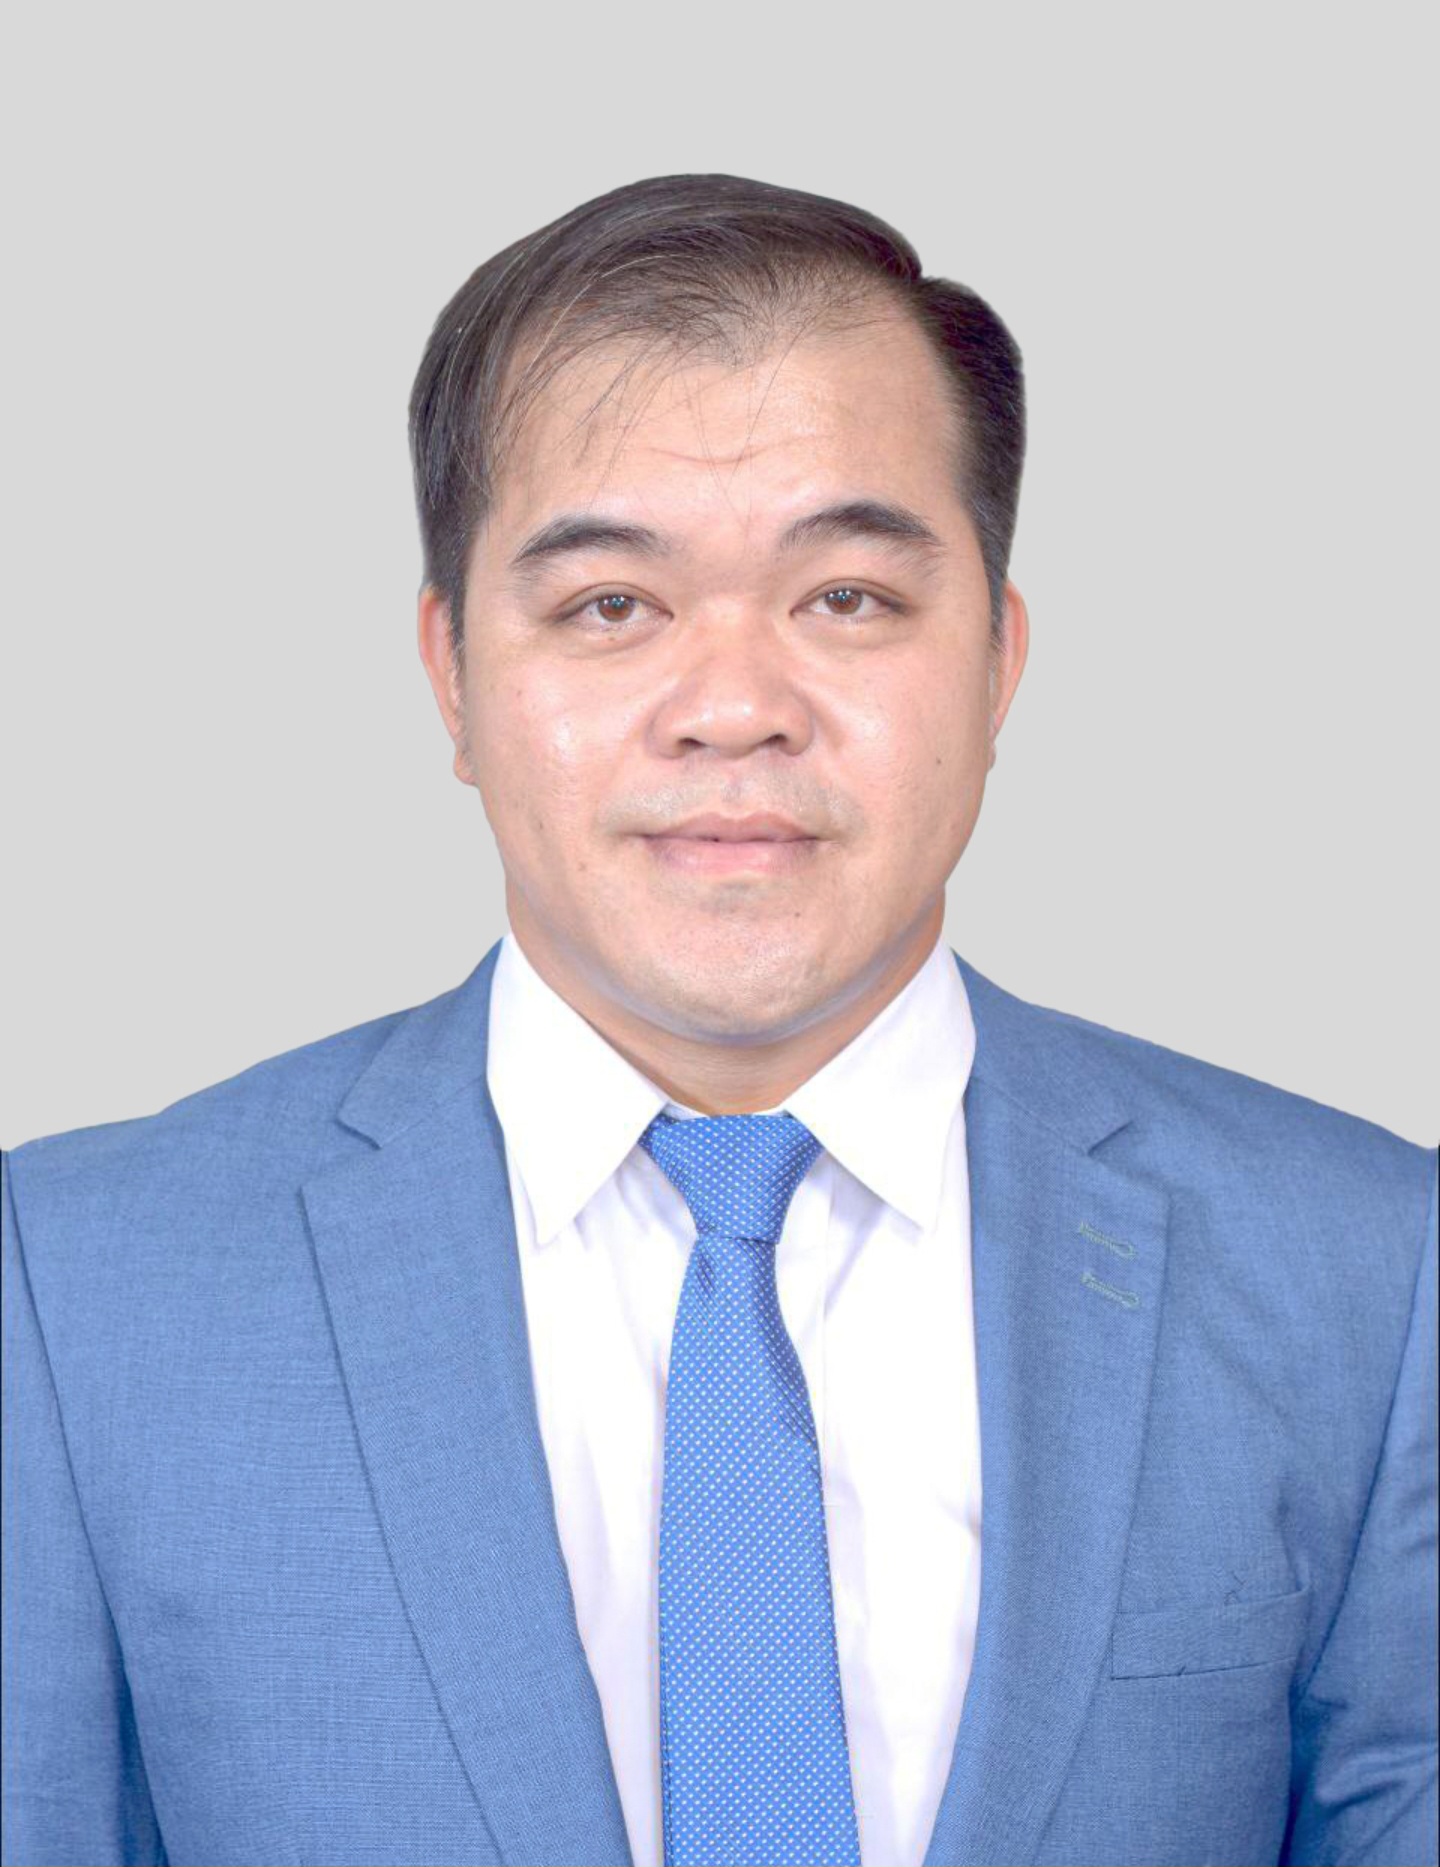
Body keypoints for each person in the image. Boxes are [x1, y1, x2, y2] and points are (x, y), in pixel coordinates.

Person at [2, 172, 1435, 1867]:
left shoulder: (1370, 1271)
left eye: (849, 599)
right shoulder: (70, 1291)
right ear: (453, 674)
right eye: (610, 605)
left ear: (998, 662)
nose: (736, 709)